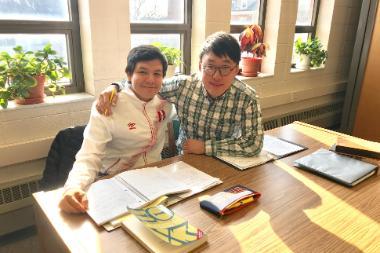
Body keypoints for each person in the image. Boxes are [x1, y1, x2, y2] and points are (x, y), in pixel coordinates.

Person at [96, 31, 263, 157]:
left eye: (225, 68)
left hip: (225, 161)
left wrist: (206, 147)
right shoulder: (184, 85)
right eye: (210, 66)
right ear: (199, 66)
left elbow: (253, 145)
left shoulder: (247, 98)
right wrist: (115, 86)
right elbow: (146, 84)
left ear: (236, 70)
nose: (216, 76)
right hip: (186, 161)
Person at [59, 45, 173, 213]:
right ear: (129, 74)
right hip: (115, 181)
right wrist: (74, 187)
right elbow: (89, 155)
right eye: (142, 72)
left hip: (153, 180)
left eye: (157, 74)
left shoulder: (167, 103)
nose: (150, 79)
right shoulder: (109, 105)